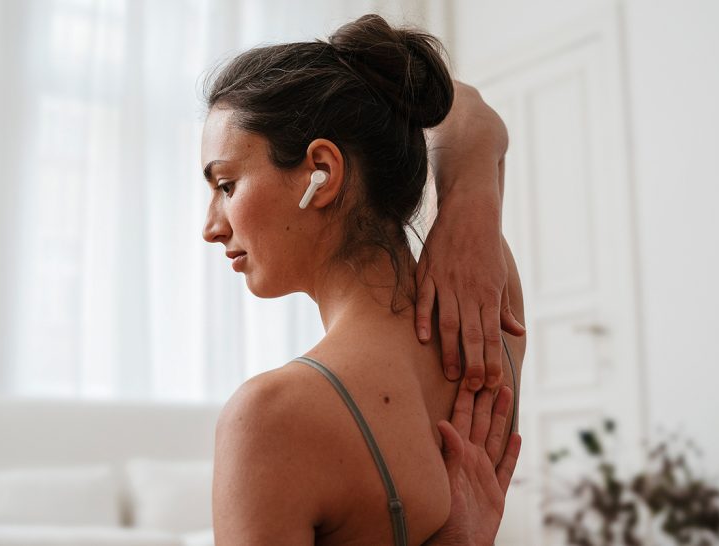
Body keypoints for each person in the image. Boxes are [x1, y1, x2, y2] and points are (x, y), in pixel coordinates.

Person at [200, 14, 526, 545]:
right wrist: (472, 199)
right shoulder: (491, 305)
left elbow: (455, 104)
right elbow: (462, 105)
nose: (211, 228)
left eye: (227, 184)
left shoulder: (268, 420)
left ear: (320, 173)